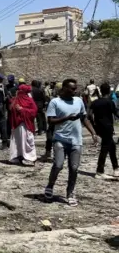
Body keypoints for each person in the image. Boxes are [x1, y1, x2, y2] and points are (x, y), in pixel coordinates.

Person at [45, 79, 98, 207]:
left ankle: (70, 193)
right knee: (58, 165)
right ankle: (50, 185)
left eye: (75, 88)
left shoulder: (79, 101)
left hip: (76, 140)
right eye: (72, 89)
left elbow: (84, 118)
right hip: (60, 139)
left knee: (74, 168)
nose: (75, 91)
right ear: (64, 88)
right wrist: (67, 118)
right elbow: (50, 120)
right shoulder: (55, 102)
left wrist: (93, 133)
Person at [88, 83, 119, 179]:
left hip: (99, 128)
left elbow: (89, 115)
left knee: (112, 146)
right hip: (108, 127)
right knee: (105, 148)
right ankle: (99, 171)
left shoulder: (95, 102)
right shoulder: (110, 102)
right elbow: (116, 113)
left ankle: (116, 169)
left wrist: (94, 125)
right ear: (109, 91)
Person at [9, 84, 38, 166]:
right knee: (18, 141)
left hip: (25, 124)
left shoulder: (29, 100)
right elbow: (11, 109)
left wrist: (22, 110)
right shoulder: (15, 100)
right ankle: (18, 156)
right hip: (18, 125)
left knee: (27, 140)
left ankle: (30, 157)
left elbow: (34, 111)